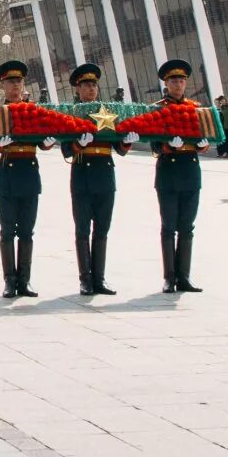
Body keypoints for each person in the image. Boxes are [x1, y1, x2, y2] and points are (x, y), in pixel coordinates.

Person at [61, 64, 135, 296]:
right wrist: (78, 145)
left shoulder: (107, 113)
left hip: (104, 175)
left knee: (102, 229)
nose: (91, 89)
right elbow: (66, 150)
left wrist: (127, 141)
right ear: (78, 89)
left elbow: (119, 148)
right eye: (86, 85)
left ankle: (99, 278)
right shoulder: (71, 113)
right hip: (82, 174)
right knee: (82, 229)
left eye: (93, 85)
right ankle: (85, 279)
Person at [0, 61, 55, 299]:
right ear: (2, 85)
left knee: (27, 231)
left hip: (29, 174)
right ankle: (9, 281)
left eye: (18, 81)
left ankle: (24, 280)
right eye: (10, 82)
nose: (15, 85)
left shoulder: (33, 110)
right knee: (7, 231)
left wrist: (47, 143)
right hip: (6, 174)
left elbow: (41, 140)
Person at [152, 59, 209, 294]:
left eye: (182, 80)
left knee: (187, 227)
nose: (178, 84)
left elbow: (206, 135)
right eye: (174, 80)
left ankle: (184, 276)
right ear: (166, 83)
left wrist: (204, 145)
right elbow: (154, 144)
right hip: (168, 172)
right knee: (168, 226)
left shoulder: (196, 108)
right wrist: (168, 146)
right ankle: (169, 277)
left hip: (190, 172)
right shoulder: (158, 108)